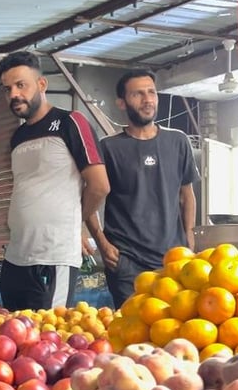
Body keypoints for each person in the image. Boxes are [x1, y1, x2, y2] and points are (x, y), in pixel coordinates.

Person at [0, 51, 109, 311]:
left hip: (53, 257)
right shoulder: (18, 136)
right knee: (12, 338)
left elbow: (99, 186)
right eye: (7, 89)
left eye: (21, 85)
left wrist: (75, 224)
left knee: (49, 340)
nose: (14, 94)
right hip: (15, 258)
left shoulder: (71, 123)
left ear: (42, 84)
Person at [85, 69, 200, 308]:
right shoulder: (108, 148)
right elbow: (88, 198)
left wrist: (189, 235)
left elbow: (186, 195)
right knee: (132, 333)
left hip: (173, 259)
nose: (148, 99)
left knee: (173, 328)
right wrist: (102, 242)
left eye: (151, 92)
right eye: (138, 94)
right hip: (126, 262)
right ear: (122, 103)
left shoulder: (178, 141)